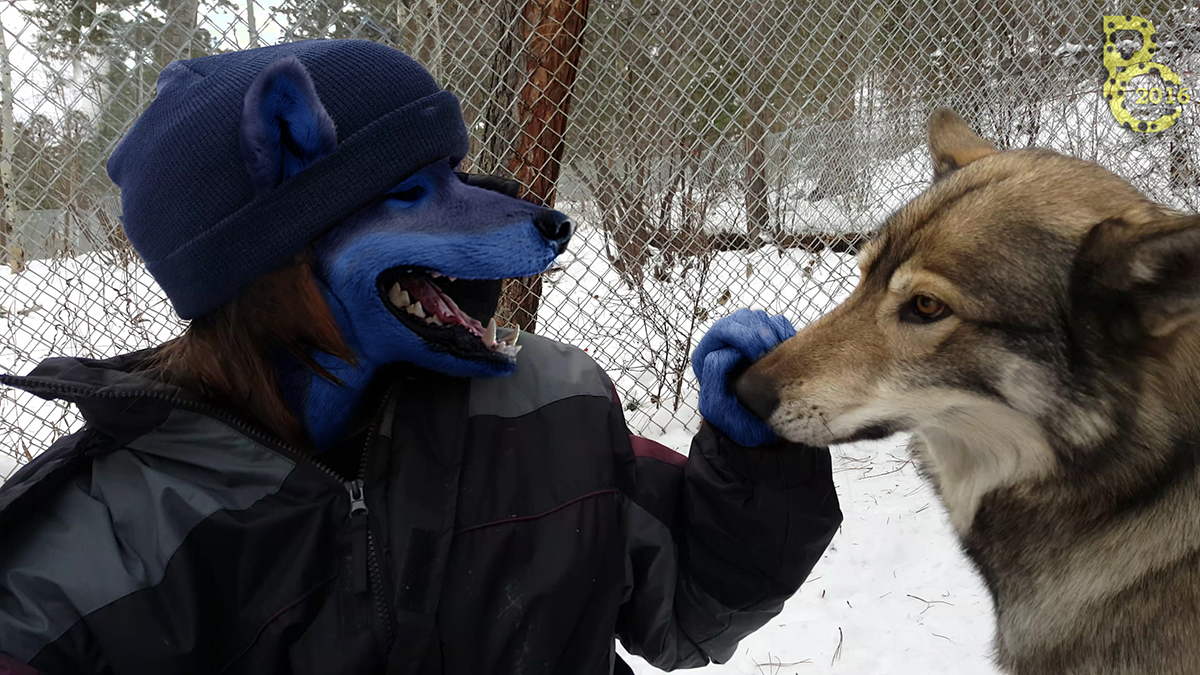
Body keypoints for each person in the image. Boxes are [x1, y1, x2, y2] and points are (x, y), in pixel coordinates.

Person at [0, 39, 840, 674]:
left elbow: (695, 606)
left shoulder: (551, 406)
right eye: (412, 195)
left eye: (455, 176)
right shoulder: (102, 536)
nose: (506, 212)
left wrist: (758, 455)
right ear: (267, 259)